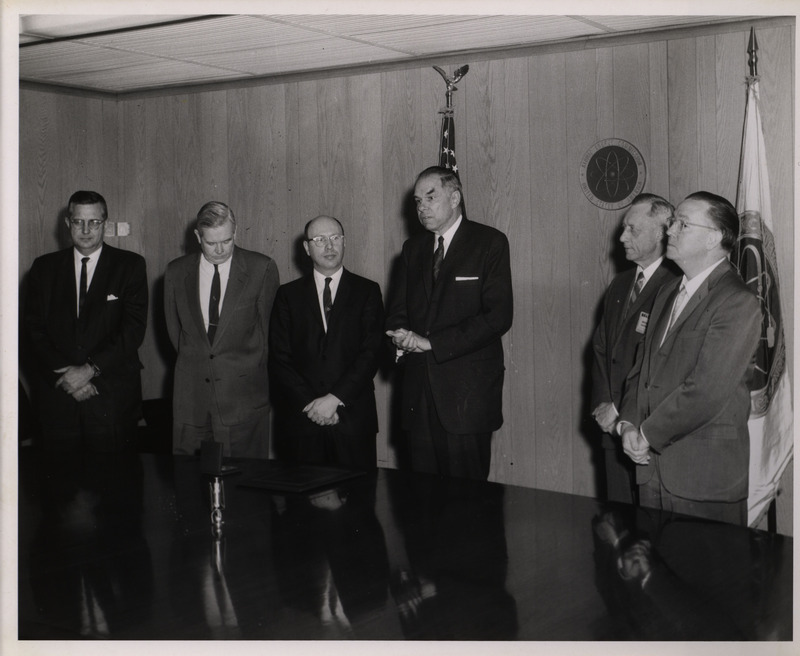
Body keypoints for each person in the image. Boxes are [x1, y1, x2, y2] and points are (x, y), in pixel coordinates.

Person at [617, 191, 761, 525]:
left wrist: (646, 435)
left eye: (682, 224)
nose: (669, 230)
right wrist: (627, 424)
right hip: (651, 474)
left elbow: (707, 390)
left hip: (703, 479)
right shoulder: (667, 292)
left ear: (713, 238)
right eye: (672, 223)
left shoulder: (736, 301)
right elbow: (641, 370)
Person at [386, 166, 513, 480]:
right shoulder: (412, 249)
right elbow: (398, 311)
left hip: (466, 399)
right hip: (418, 397)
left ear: (455, 198)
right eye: (418, 201)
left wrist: (432, 343)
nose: (422, 208)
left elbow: (497, 316)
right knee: (421, 499)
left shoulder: (489, 242)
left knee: (467, 500)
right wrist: (400, 337)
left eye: (430, 198)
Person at [24, 190, 148, 452]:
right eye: (78, 221)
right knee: (58, 476)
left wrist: (89, 370)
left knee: (116, 476)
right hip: (59, 399)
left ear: (105, 223)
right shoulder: (43, 268)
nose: (86, 229)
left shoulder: (130, 266)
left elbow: (132, 331)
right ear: (67, 223)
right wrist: (68, 378)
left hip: (111, 399)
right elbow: (34, 331)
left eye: (94, 222)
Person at [164, 201, 279, 459]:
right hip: (191, 399)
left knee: (245, 479)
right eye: (211, 243)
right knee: (189, 478)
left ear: (235, 232)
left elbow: (269, 335)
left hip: (243, 400)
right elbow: (176, 332)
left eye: (226, 241)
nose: (219, 250)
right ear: (197, 237)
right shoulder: (176, 272)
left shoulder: (261, 268)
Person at [269, 215, 384, 469]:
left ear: (344, 242)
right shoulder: (288, 295)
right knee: (303, 493)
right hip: (302, 421)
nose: (329, 246)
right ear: (306, 248)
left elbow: (371, 353)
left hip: (353, 420)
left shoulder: (368, 291)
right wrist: (313, 407)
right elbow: (279, 358)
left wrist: (334, 399)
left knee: (359, 492)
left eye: (335, 238)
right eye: (319, 240)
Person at [591, 193, 679, 503]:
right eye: (623, 228)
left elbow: (660, 360)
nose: (622, 237)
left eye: (633, 229)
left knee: (649, 523)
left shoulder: (677, 284)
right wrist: (604, 404)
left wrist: (619, 409)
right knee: (617, 518)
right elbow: (601, 348)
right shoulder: (620, 283)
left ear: (661, 233)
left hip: (647, 431)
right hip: (611, 429)